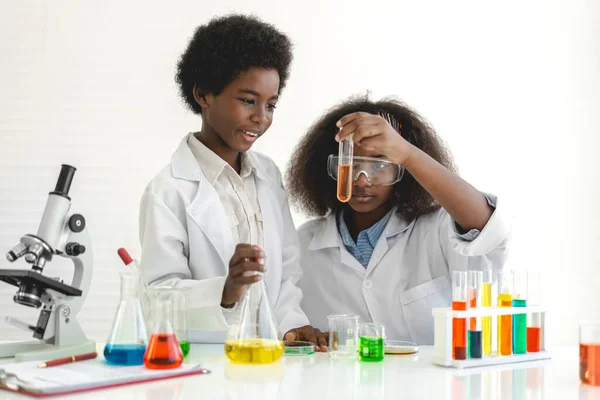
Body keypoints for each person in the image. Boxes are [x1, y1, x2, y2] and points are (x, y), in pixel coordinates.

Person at [139, 14, 326, 350]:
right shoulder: (167, 190)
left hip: (269, 356)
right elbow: (158, 297)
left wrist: (293, 326)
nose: (261, 117)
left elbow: (286, 268)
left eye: (271, 104)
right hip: (206, 359)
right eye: (247, 100)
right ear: (203, 94)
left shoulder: (268, 175)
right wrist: (225, 290)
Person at [286, 96, 509, 345]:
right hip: (344, 384)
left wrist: (408, 153)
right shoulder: (303, 244)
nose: (361, 180)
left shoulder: (437, 230)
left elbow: (485, 229)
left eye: (379, 165)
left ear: (403, 170)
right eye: (350, 164)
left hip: (432, 384)